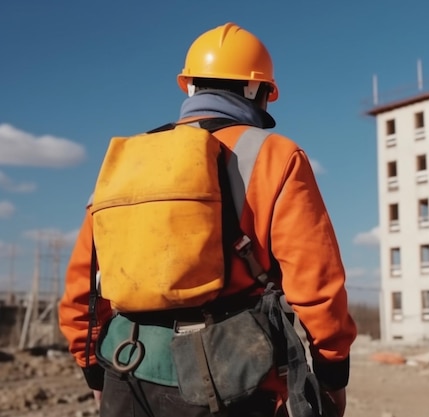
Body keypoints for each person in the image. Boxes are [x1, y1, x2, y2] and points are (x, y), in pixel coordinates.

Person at [58, 22, 357, 417]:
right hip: (234, 384)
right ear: (257, 91)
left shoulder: (126, 162)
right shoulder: (274, 155)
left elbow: (83, 288)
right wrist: (333, 376)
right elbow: (318, 288)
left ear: (191, 87)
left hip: (126, 371)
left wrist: (95, 373)